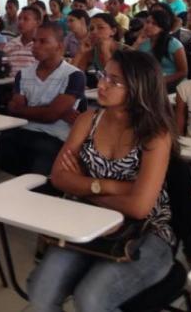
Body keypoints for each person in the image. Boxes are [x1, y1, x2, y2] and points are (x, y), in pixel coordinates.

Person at [28, 50, 176, 312]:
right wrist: (109, 187)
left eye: (114, 81)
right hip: (90, 221)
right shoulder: (88, 121)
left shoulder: (155, 134)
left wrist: (83, 187)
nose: (102, 84)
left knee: (91, 299)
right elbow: (60, 177)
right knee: (40, 292)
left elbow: (140, 208)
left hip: (147, 231)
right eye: (103, 75)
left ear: (138, 87)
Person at [0, 22, 86, 176]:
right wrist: (50, 110)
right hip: (23, 131)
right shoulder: (23, 74)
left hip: (54, 138)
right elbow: (15, 111)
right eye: (35, 41)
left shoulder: (73, 75)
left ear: (59, 45)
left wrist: (26, 109)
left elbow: (49, 116)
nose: (35, 46)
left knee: (39, 169)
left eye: (43, 41)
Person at [133, 6, 187, 90]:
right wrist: (137, 43)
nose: (148, 26)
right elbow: (131, 61)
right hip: (149, 82)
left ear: (162, 27)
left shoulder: (173, 44)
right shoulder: (143, 41)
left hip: (172, 84)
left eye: (154, 24)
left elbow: (183, 72)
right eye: (147, 22)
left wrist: (160, 81)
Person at [3, 5, 42, 77]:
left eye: (26, 19)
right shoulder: (11, 44)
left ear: (38, 22)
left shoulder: (42, 46)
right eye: (19, 18)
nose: (20, 22)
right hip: (10, 85)